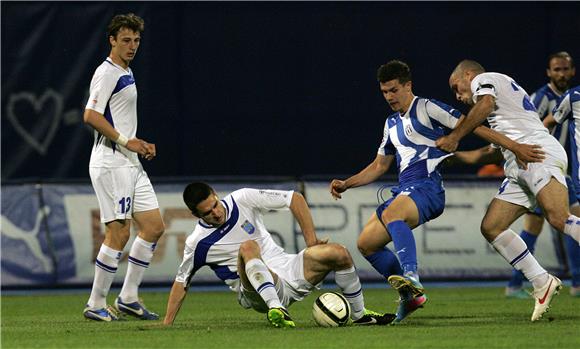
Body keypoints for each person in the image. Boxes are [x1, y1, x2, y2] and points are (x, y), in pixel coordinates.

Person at [329, 60, 543, 323]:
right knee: (366, 244)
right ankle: (411, 297)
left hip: (427, 187)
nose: (389, 97)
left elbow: (472, 124)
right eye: (384, 92)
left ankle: (412, 278)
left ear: (408, 85)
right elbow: (379, 165)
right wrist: (347, 183)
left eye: (394, 90)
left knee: (395, 214)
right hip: (404, 190)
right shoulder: (391, 123)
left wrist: (513, 146)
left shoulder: (428, 107)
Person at [436, 59, 580, 321]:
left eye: (456, 87)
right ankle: (541, 281)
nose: (457, 96)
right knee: (492, 226)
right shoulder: (505, 109)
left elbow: (485, 105)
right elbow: (493, 152)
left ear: (468, 75)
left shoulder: (484, 80)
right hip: (519, 162)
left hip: (536, 153)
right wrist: (458, 157)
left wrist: (456, 135)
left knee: (559, 217)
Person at [163, 182, 396, 328]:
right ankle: (277, 309)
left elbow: (295, 199)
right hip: (255, 294)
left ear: (215, 193)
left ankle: (359, 314)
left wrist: (311, 241)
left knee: (339, 253)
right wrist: (167, 324)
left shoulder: (241, 199)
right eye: (207, 212)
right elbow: (182, 282)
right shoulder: (198, 243)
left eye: (215, 204)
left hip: (287, 270)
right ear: (195, 214)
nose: (216, 212)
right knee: (248, 247)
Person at [82, 13, 165, 322]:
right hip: (111, 162)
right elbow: (90, 115)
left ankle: (128, 297)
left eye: (137, 40)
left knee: (154, 226)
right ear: (112, 40)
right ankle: (96, 303)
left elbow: (122, 120)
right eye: (126, 40)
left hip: (129, 162)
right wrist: (125, 141)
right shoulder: (106, 73)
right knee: (118, 233)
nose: (132, 46)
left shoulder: (124, 70)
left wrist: (138, 143)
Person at [506, 52, 578, 298]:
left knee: (534, 228)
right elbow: (527, 128)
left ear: (572, 71)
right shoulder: (541, 98)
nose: (561, 74)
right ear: (549, 72)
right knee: (570, 218)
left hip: (558, 169)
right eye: (556, 69)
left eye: (565, 69)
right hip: (543, 168)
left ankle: (515, 284)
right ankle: (577, 282)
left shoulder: (570, 98)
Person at [549, 85, 580, 296]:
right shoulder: (573, 96)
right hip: (567, 173)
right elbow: (547, 123)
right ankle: (577, 280)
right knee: (569, 219)